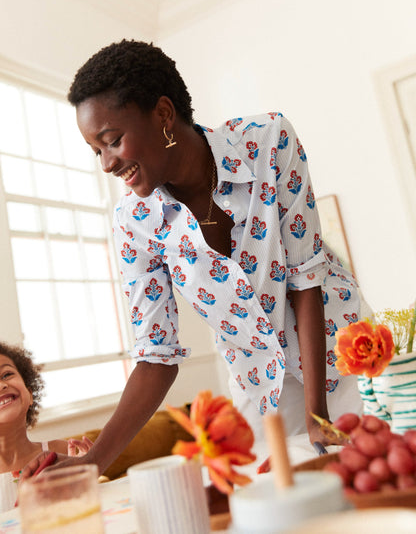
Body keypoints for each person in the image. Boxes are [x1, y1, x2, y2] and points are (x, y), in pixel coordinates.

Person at [22, 39, 362, 478]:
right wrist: (92, 462)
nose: (106, 163)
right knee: (277, 503)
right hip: (259, 386)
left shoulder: (268, 140)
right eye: (96, 151)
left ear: (163, 114)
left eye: (112, 141)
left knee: (373, 484)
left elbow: (305, 277)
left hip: (340, 350)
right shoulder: (134, 222)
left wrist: (319, 418)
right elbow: (156, 353)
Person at [0, 341, 92, 511]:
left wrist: (85, 472)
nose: (2, 385)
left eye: (6, 375)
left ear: (30, 394)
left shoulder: (60, 452)